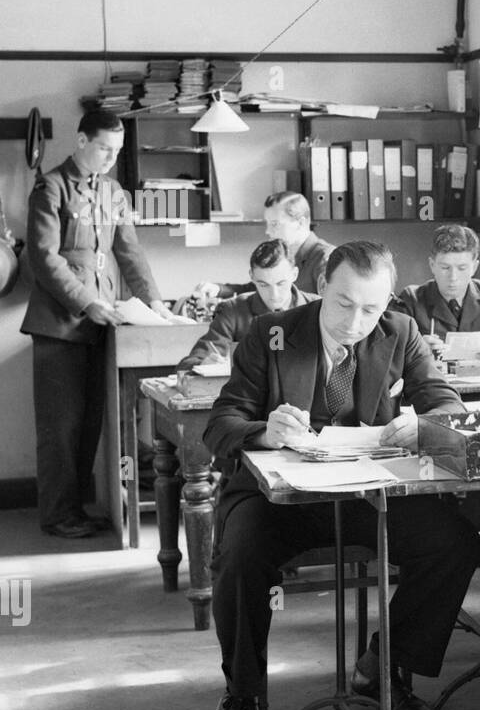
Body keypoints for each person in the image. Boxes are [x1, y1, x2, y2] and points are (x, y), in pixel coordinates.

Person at [201, 240, 480, 710]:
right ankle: (243, 696)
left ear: (389, 300)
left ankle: (383, 664)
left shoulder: (401, 331)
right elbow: (220, 426)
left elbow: (447, 405)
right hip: (278, 499)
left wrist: (423, 423)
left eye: (371, 309)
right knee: (238, 556)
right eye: (343, 304)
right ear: (321, 286)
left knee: (456, 543)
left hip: (368, 494)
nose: (355, 322)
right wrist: (265, 430)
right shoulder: (271, 333)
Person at [20, 109, 173, 539]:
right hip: (59, 325)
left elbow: (130, 253)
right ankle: (57, 515)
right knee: (60, 426)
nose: (110, 157)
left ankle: (77, 509)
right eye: (104, 148)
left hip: (102, 325)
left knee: (90, 424)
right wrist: (88, 302)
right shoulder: (51, 187)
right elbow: (44, 258)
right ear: (82, 141)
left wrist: (155, 302)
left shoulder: (114, 192)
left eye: (117, 151)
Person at [176, 239, 315, 374]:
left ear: (294, 274)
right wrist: (203, 364)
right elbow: (187, 364)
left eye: (281, 284)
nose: (274, 294)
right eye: (263, 285)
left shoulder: (318, 308)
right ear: (252, 277)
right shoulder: (233, 311)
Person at [190, 191, 333, 305]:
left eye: (275, 224)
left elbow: (331, 311)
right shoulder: (286, 254)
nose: (268, 231)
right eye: (268, 223)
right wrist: (219, 290)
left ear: (301, 223)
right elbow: (259, 287)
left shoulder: (326, 258)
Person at [393, 223, 480, 357]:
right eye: (445, 268)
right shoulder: (411, 300)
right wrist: (416, 348)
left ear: (474, 268)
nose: (453, 277)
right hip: (433, 377)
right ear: (432, 265)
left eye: (462, 268)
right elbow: (389, 348)